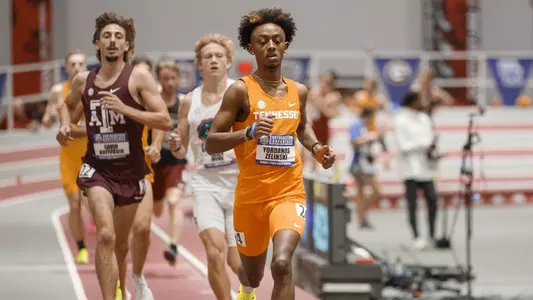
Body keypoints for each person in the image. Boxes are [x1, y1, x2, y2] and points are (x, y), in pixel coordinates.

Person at [205, 9, 336, 300]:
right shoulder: (240, 92)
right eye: (263, 41)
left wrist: (317, 149)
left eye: (277, 40)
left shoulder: (298, 91)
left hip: (289, 192)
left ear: (286, 44)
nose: (271, 46)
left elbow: (302, 128)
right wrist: (248, 133)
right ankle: (247, 289)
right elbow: (211, 142)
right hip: (251, 197)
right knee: (252, 273)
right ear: (251, 48)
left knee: (281, 264)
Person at [56, 12, 171, 300]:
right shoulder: (84, 80)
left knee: (121, 245)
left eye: (119, 37)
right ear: (97, 42)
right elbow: (66, 108)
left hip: (131, 172)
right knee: (105, 235)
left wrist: (125, 109)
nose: (112, 41)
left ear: (127, 46)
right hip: (97, 170)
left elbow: (164, 120)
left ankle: (126, 283)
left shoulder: (139, 77)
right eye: (106, 36)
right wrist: (64, 126)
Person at [168, 33, 248, 300]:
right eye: (207, 57)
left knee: (238, 262)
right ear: (199, 65)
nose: (213, 60)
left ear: (228, 62)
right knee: (214, 253)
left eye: (219, 56)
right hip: (205, 182)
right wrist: (176, 143)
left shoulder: (242, 92)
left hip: (239, 182)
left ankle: (248, 291)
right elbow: (180, 148)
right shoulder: (189, 101)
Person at [43, 50, 91, 264]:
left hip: (92, 154)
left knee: (94, 203)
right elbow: (45, 121)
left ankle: (106, 244)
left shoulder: (93, 87)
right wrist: (51, 116)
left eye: (81, 63)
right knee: (74, 203)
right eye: (73, 64)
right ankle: (81, 247)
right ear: (66, 67)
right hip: (70, 157)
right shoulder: (57, 91)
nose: (77, 68)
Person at [149, 59, 187, 264]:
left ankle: (173, 246)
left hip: (176, 161)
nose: (169, 82)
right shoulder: (153, 102)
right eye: (165, 78)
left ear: (178, 79)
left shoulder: (183, 103)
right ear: (158, 79)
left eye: (173, 78)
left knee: (174, 201)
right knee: (156, 209)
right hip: (154, 161)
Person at [393, 91, 439, 251]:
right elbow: (403, 146)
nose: (422, 103)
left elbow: (431, 139)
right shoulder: (400, 119)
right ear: (412, 102)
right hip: (410, 168)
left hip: (426, 167)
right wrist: (422, 144)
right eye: (419, 100)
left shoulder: (424, 118)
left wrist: (432, 149)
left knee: (433, 200)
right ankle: (416, 236)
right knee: (412, 204)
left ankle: (432, 235)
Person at [349, 108, 381, 229]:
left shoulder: (365, 127)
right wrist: (368, 138)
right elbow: (354, 141)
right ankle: (361, 216)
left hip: (367, 162)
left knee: (372, 191)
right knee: (363, 191)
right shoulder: (356, 125)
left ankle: (361, 214)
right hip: (358, 163)